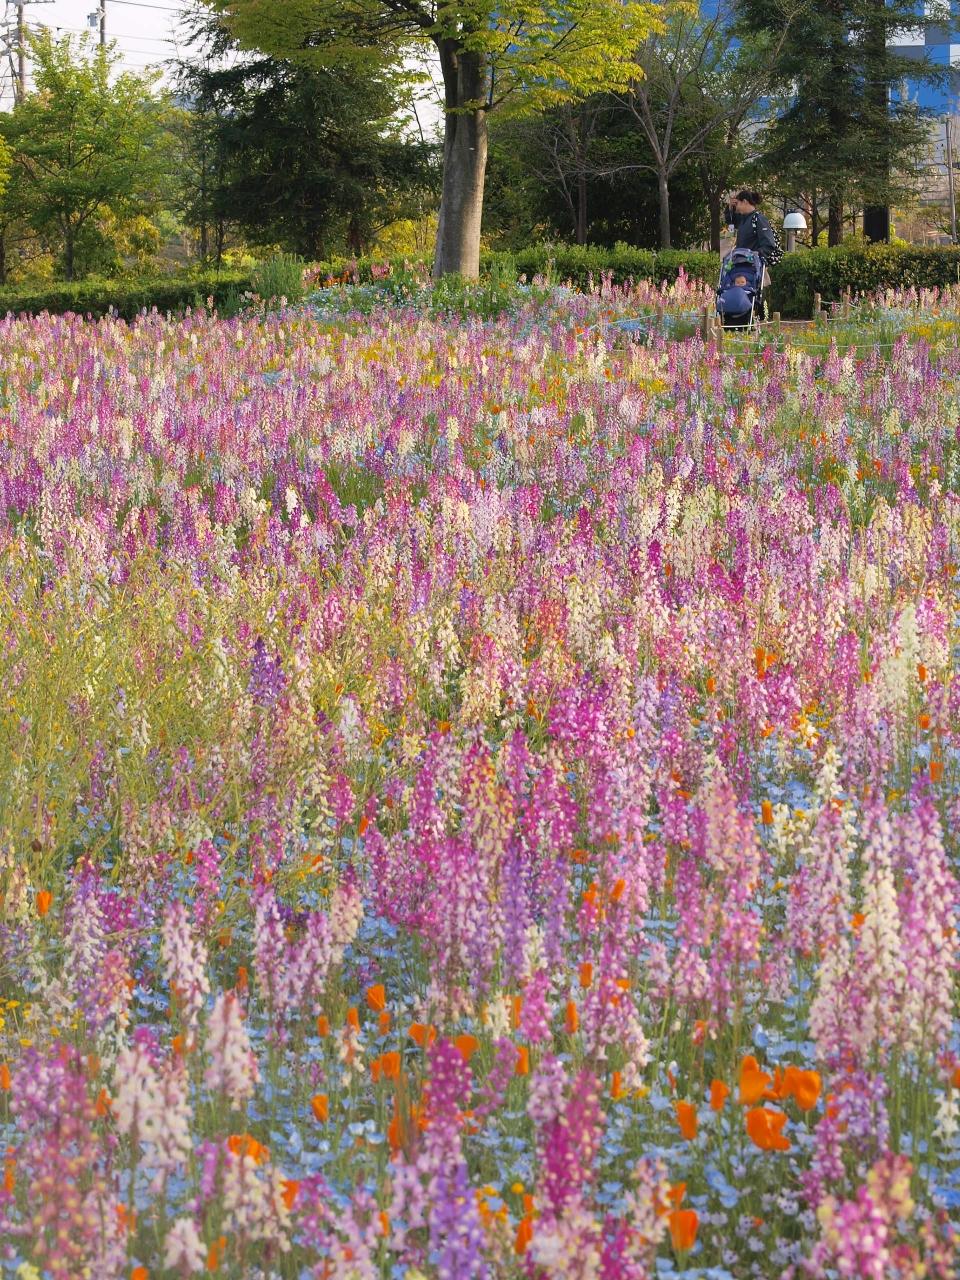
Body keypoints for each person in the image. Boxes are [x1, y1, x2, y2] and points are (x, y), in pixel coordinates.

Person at [725, 190, 783, 266]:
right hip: (741, 263)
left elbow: (768, 244)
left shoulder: (759, 219)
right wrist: (729, 208)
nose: (737, 208)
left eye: (737, 204)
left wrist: (753, 256)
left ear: (744, 201)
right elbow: (731, 222)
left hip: (752, 266)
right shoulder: (743, 219)